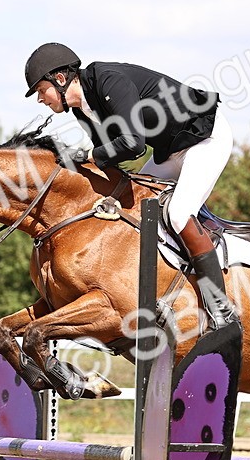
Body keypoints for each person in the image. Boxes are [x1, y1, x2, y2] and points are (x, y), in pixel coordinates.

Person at [24, 42, 237, 328]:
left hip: (204, 138)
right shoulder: (82, 109)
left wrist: (84, 156)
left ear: (59, 80)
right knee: (138, 208)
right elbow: (108, 159)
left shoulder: (109, 80)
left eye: (40, 90)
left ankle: (221, 311)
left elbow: (132, 145)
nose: (40, 99)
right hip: (169, 152)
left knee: (177, 214)